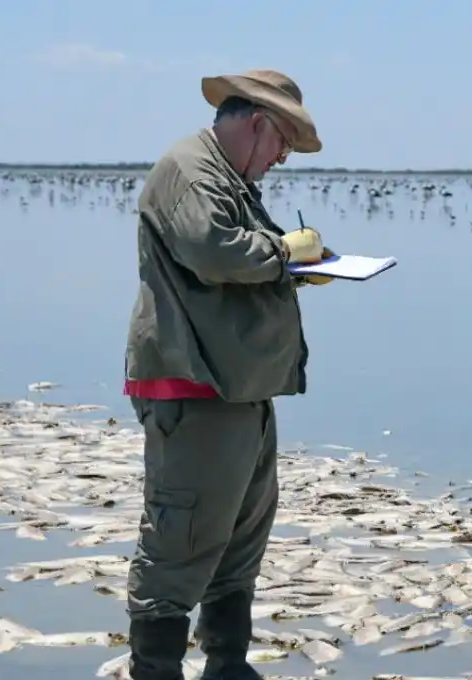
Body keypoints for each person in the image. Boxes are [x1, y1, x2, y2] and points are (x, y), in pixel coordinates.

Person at [123, 69, 334, 680]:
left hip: (238, 388)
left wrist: (302, 264)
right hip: (194, 386)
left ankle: (227, 666)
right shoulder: (190, 170)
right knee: (181, 540)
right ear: (258, 122)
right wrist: (283, 255)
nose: (281, 159)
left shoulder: (230, 178)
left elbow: (245, 257)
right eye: (281, 144)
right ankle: (155, 670)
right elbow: (216, 251)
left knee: (239, 536)